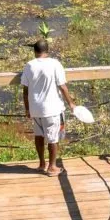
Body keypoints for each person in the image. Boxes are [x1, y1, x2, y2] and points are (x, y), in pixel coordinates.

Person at [21, 40, 74, 176]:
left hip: (35, 108)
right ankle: (52, 167)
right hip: (51, 109)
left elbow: (25, 91)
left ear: (35, 51)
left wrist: (27, 109)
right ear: (47, 51)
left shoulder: (29, 65)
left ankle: (41, 164)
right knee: (53, 138)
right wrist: (71, 103)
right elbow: (62, 86)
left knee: (39, 136)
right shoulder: (55, 64)